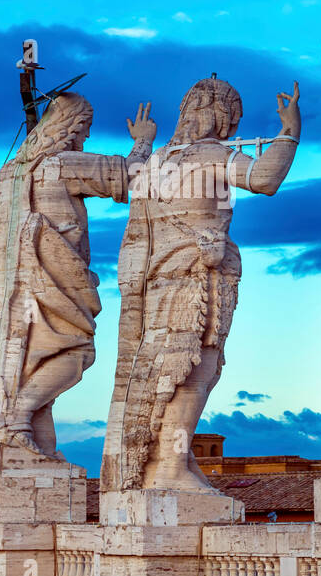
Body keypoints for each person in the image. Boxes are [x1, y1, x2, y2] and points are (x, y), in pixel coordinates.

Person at [101, 76, 300, 494]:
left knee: (166, 366)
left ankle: (173, 457)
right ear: (220, 112)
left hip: (155, 283)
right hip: (197, 277)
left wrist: (141, 142)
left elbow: (131, 184)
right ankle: (170, 467)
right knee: (198, 364)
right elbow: (265, 179)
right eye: (232, 116)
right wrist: (290, 131)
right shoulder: (212, 155)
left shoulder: (155, 161)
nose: (231, 128)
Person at [0, 96, 154, 458]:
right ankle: (16, 419)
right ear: (69, 126)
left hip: (9, 289)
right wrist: (144, 139)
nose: (84, 138)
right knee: (77, 351)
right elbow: (132, 176)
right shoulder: (60, 164)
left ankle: (30, 440)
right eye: (83, 129)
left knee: (29, 362)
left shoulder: (6, 175)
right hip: (49, 281)